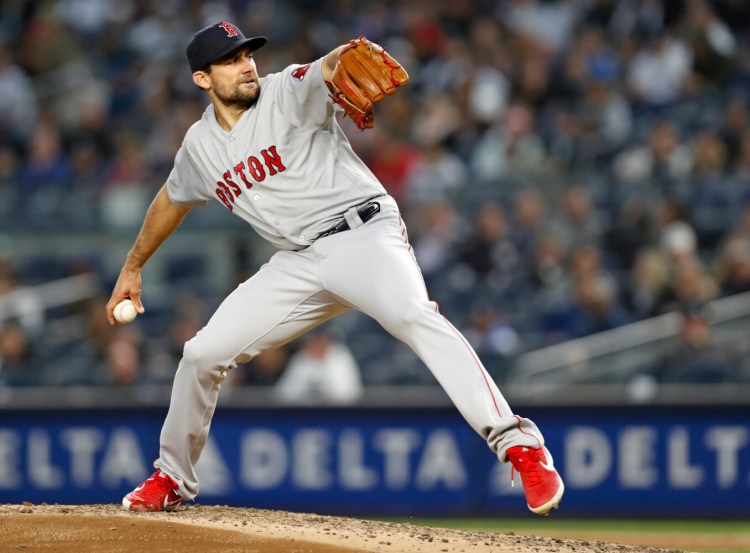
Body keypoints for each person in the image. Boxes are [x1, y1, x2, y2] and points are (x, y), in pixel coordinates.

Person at [107, 21, 564, 516]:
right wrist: (133, 266)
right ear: (202, 79)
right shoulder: (199, 147)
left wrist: (345, 56)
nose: (247, 65)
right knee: (201, 354)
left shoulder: (284, 92)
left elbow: (325, 68)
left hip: (364, 235)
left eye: (248, 55)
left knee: (413, 316)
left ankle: (520, 445)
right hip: (298, 262)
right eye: (232, 60)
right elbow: (172, 200)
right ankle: (172, 477)